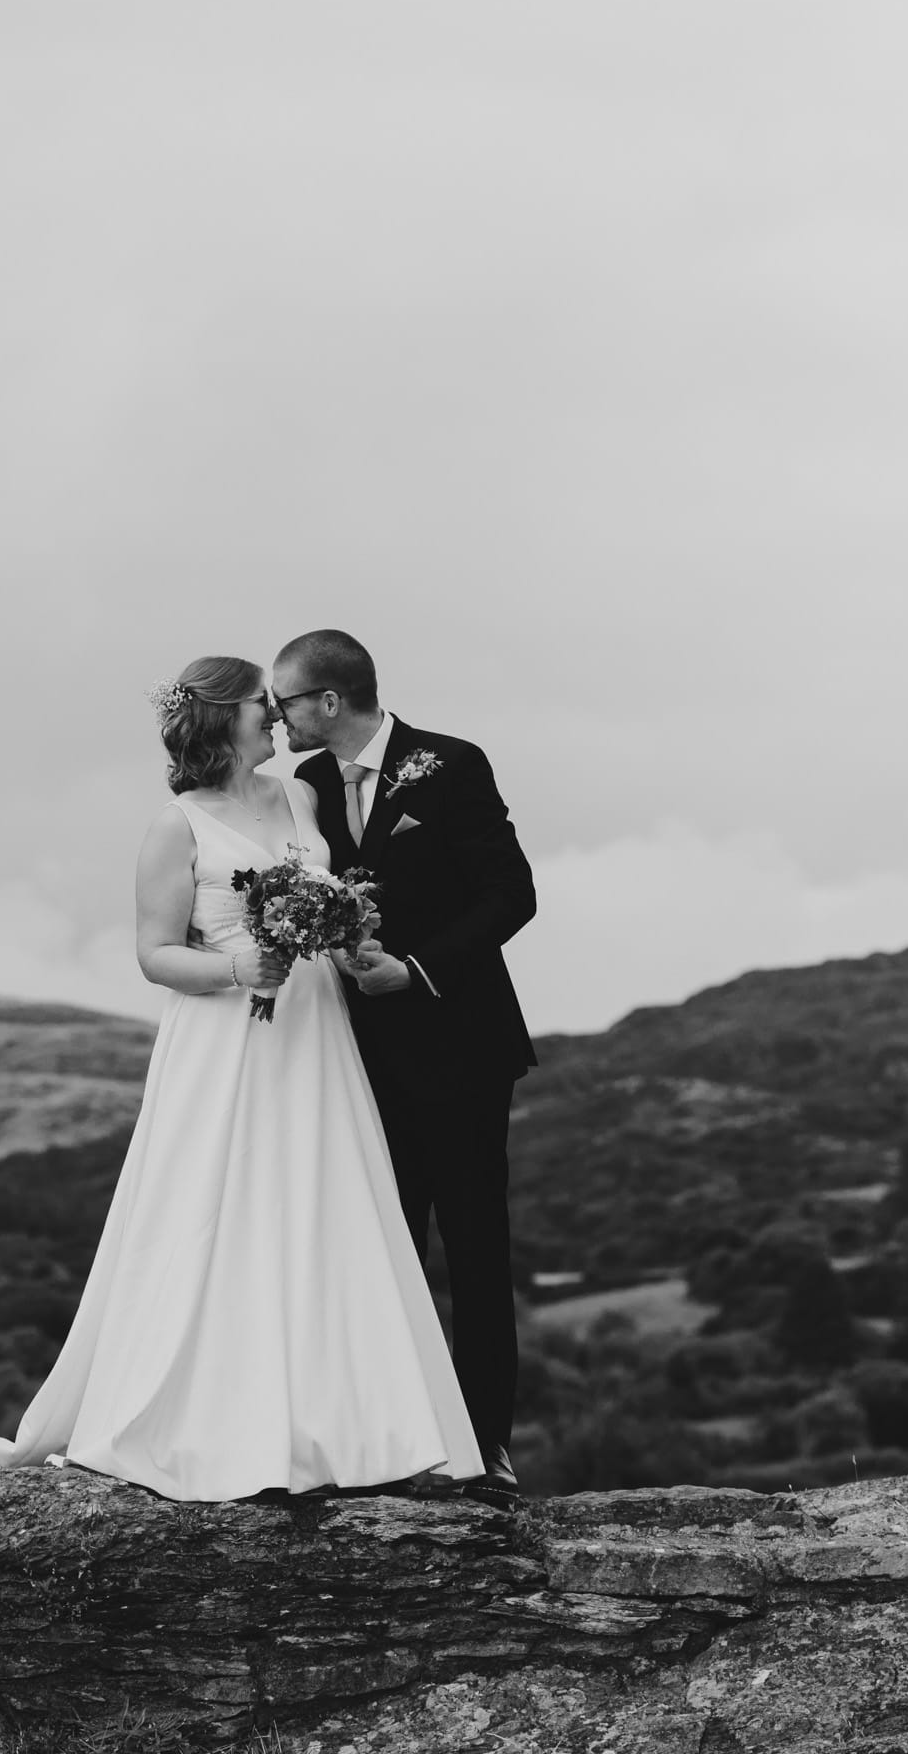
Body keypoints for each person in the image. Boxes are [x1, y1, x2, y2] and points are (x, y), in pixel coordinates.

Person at [0, 654, 482, 1502]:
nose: (276, 715)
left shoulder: (301, 798)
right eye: (261, 703)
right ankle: (216, 1420)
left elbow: (337, 903)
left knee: (321, 1201)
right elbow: (154, 953)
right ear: (223, 719)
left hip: (313, 1029)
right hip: (225, 1035)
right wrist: (238, 969)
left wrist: (347, 940)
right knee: (216, 1206)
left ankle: (351, 1425)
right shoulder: (177, 826)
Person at [273, 630, 536, 1501]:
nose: (276, 717)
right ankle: (394, 1442)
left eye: (285, 701)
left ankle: (485, 1446)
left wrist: (416, 970)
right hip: (355, 1058)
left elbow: (511, 895)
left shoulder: (451, 764)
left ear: (330, 701)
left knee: (473, 1247)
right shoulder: (304, 786)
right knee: (380, 1251)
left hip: (461, 1046)